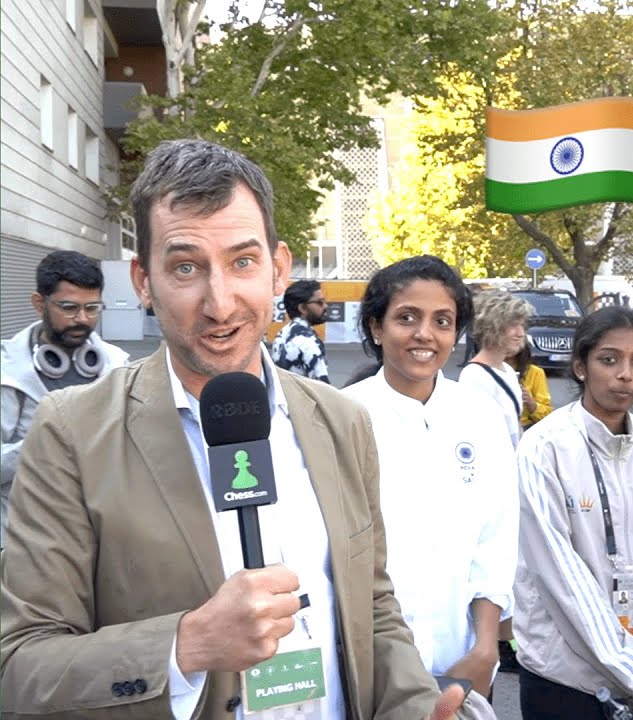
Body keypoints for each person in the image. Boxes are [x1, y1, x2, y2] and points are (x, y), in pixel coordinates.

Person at [0, 139, 462, 720]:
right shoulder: (71, 432)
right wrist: (186, 645)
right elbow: (19, 665)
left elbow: (372, 606)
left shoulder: (342, 421)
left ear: (279, 268)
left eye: (243, 262)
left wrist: (416, 706)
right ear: (144, 281)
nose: (219, 304)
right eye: (186, 267)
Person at [344, 255, 516, 713]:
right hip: (370, 667)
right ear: (376, 328)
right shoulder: (341, 417)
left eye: (442, 321)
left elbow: (495, 540)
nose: (425, 334)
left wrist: (484, 648)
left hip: (462, 662)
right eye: (406, 318)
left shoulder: (480, 415)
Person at [513, 307, 633, 720]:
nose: (626, 375)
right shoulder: (543, 448)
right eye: (609, 360)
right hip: (566, 680)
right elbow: (560, 579)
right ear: (580, 367)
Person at [1, 250, 129, 548]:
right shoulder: (7, 371)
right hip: (24, 537)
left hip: (99, 533)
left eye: (93, 308)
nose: (82, 319)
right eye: (69, 307)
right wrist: (49, 441)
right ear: (39, 303)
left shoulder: (117, 364)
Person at [459, 290, 531, 449]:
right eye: (513, 325)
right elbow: (476, 435)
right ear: (493, 326)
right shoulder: (475, 376)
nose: (520, 333)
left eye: (522, 325)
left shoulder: (508, 370)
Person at [271, 278, 330, 383]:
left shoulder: (281, 335)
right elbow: (322, 387)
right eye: (320, 302)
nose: (325, 306)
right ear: (302, 308)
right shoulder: (309, 340)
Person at [507, 342, 552, 430]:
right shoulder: (488, 369)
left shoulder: (535, 372)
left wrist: (531, 403)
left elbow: (547, 415)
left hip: (525, 428)